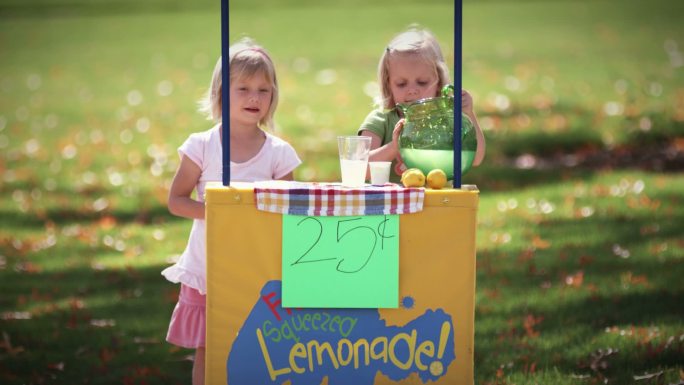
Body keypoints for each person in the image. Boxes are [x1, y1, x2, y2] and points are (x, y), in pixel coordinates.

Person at [161, 38, 301, 385]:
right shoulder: (203, 146)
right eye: (243, 89)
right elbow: (176, 200)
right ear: (221, 93)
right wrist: (218, 212)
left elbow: (291, 212)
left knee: (263, 345)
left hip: (260, 262)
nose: (254, 98)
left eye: (263, 90)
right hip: (209, 265)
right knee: (209, 348)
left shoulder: (279, 153)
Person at [358, 26, 486, 180]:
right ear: (388, 85)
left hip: (437, 203)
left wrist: (468, 114)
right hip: (389, 203)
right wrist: (394, 146)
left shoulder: (446, 121)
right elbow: (359, 169)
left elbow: (476, 159)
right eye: (401, 84)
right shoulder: (380, 121)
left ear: (439, 82)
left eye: (422, 82)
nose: (412, 90)